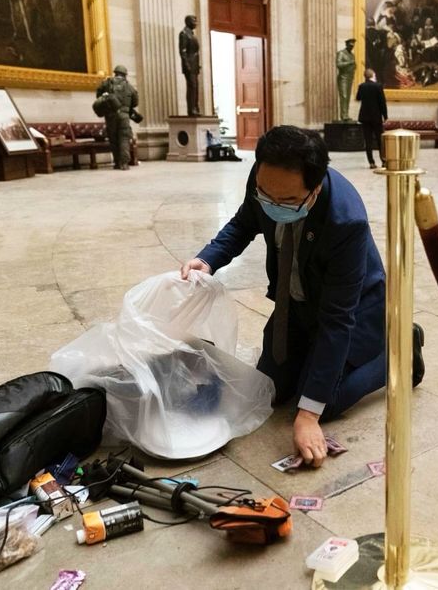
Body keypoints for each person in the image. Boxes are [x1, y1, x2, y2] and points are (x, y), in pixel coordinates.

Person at [179, 126, 424, 468]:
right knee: (269, 389)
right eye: (267, 195)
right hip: (296, 302)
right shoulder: (267, 175)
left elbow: (338, 319)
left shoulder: (345, 221)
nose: (274, 204)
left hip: (355, 310)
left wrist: (309, 416)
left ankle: (402, 352)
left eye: (290, 201)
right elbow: (243, 222)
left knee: (326, 401)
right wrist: (207, 260)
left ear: (316, 187)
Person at [95, 65, 139, 170]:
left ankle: (117, 162)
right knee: (124, 138)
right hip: (124, 116)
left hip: (110, 116)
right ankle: (124, 164)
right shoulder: (129, 87)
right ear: (124, 75)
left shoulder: (107, 83)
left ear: (115, 73)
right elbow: (135, 102)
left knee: (113, 139)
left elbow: (98, 95)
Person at [355, 69, 387, 169]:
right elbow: (382, 102)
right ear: (373, 75)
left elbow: (358, 98)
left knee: (368, 140)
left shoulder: (362, 86)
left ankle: (371, 163)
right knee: (380, 140)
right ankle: (384, 161)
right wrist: (385, 116)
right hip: (376, 117)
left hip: (365, 117)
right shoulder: (378, 86)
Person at [336, 38, 356, 121]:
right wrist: (350, 63)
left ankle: (346, 114)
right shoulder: (341, 53)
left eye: (353, 46)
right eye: (350, 45)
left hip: (350, 77)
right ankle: (343, 115)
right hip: (343, 78)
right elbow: (339, 64)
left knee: (347, 97)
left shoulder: (352, 55)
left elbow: (354, 64)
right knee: (343, 96)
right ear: (347, 44)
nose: (352, 47)